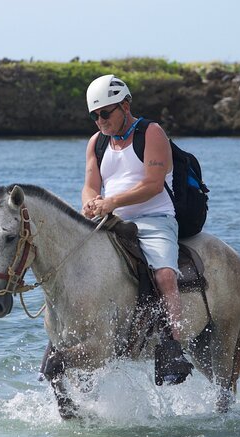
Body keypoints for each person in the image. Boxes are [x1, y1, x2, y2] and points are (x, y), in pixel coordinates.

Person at [81, 74, 193, 384]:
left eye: (106, 113)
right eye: (95, 115)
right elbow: (90, 186)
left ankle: (173, 348)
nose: (100, 120)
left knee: (165, 275)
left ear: (125, 105)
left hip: (155, 218)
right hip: (111, 220)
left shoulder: (152, 133)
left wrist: (111, 201)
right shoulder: (97, 142)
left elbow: (153, 186)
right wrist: (92, 203)